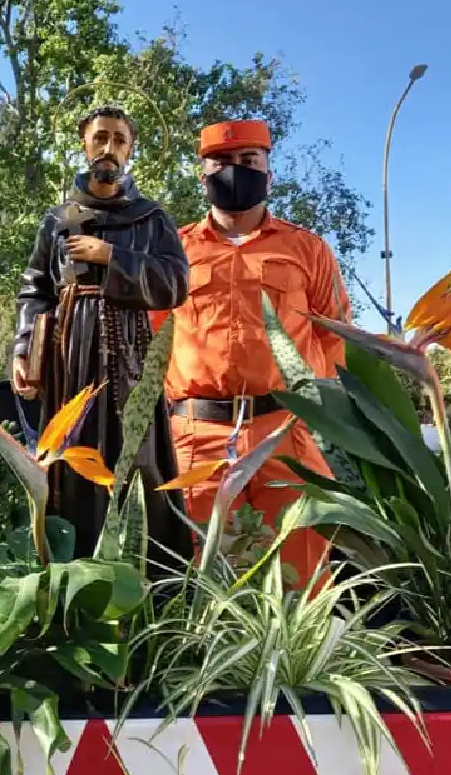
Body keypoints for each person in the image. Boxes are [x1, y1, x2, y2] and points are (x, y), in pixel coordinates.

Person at [151, 118, 354, 588]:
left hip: (286, 432)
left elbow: (335, 336)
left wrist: (319, 414)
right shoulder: (174, 251)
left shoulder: (307, 249)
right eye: (221, 161)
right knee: (202, 582)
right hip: (197, 435)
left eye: (248, 160)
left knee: (303, 574)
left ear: (268, 173)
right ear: (203, 174)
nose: (234, 169)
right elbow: (151, 338)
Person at [12, 104, 193, 571]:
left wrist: (110, 255)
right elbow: (35, 289)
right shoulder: (57, 220)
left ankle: (148, 579)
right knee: (71, 456)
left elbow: (175, 283)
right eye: (100, 137)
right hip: (69, 354)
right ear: (84, 143)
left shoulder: (151, 218)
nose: (109, 147)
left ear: (130, 151)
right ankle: (71, 577)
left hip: (131, 354)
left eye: (119, 140)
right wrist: (24, 348)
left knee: (137, 457)